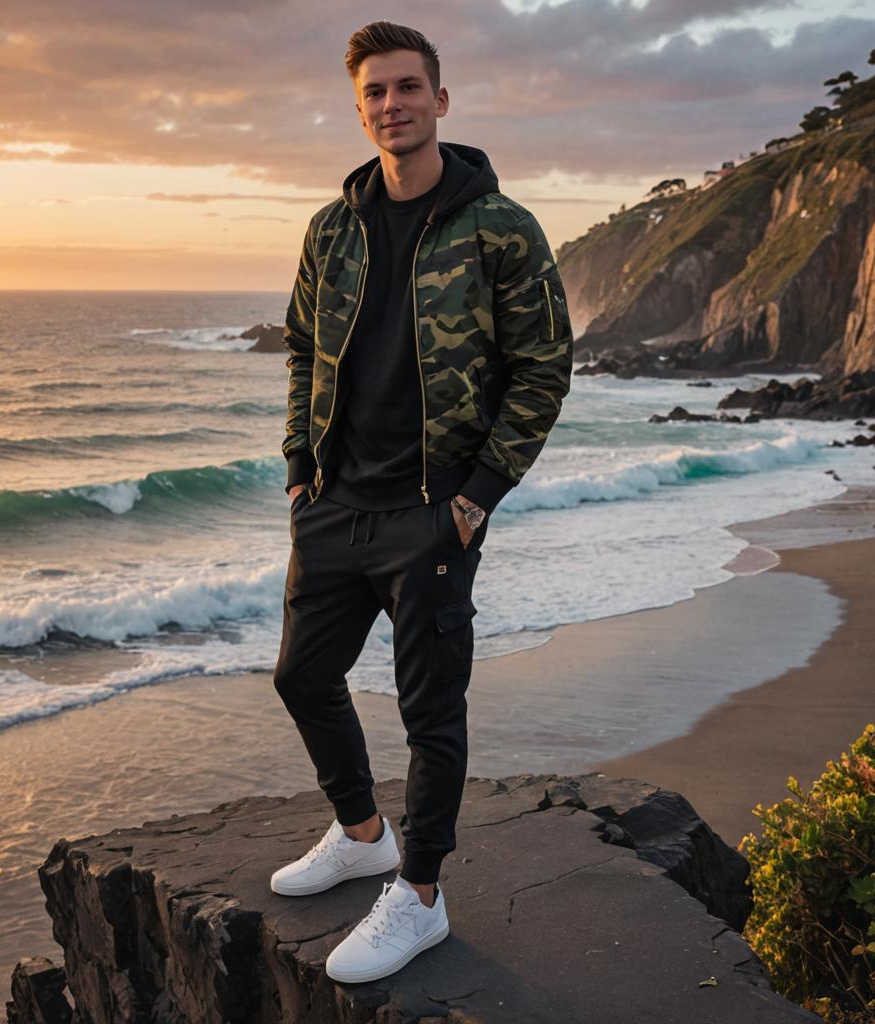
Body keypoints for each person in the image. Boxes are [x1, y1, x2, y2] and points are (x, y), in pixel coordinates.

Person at [271, 19, 573, 984]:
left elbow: (544, 367)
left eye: (408, 88)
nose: (391, 105)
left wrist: (479, 496)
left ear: (441, 100)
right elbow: (300, 349)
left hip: (432, 512)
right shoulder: (333, 228)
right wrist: (295, 465)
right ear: (358, 108)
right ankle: (363, 833)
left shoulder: (501, 227)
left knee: (429, 710)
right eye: (374, 93)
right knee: (301, 677)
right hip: (335, 503)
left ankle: (423, 897)